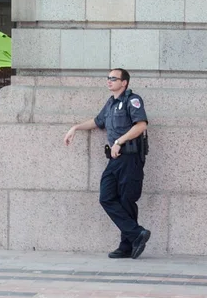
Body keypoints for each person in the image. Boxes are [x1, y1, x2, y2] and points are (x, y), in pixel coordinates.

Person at [64, 68, 150, 260]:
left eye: (113, 78)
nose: (109, 81)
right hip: (115, 159)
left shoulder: (132, 100)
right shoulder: (111, 104)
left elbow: (141, 125)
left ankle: (126, 245)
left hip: (130, 156)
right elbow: (97, 121)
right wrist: (75, 127)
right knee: (107, 196)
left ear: (124, 82)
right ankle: (136, 234)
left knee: (126, 200)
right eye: (108, 78)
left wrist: (119, 141)